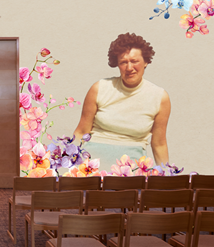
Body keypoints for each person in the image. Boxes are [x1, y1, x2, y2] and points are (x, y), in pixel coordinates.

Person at [73, 32, 170, 167]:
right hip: (91, 165)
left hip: (132, 168)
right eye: (123, 62)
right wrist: (68, 167)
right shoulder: (100, 88)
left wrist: (167, 179)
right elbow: (81, 132)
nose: (129, 68)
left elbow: (159, 144)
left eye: (134, 61)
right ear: (117, 64)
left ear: (146, 62)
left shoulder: (160, 97)